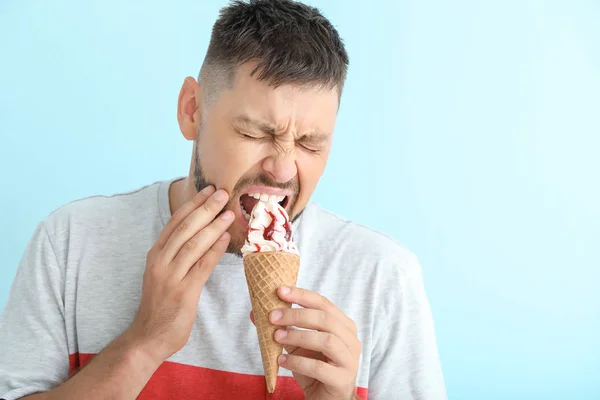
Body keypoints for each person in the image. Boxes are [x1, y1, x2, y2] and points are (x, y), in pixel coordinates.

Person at [0, 1, 447, 399]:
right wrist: (145, 342)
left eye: (311, 143)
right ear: (192, 109)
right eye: (255, 132)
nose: (284, 169)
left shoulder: (382, 277)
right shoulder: (71, 243)